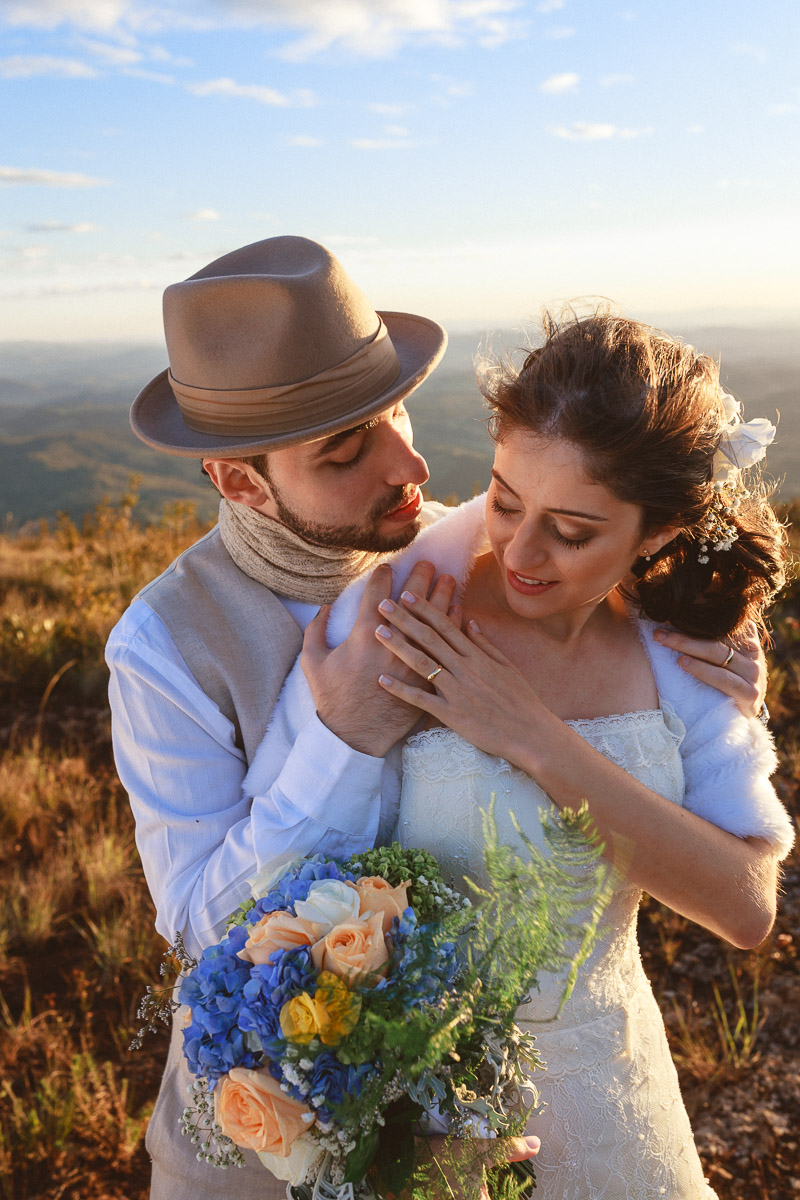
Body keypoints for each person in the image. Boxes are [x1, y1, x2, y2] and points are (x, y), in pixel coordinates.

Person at [107, 239, 768, 1199]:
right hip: (271, 1125)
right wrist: (342, 737)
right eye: (346, 452)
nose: (412, 464)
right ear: (242, 482)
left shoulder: (475, 549)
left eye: (396, 416)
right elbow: (204, 927)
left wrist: (709, 660)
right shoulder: (164, 645)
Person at [359, 312, 794, 1197]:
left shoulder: (683, 657)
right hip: (418, 1118)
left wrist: (534, 738)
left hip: (613, 1102)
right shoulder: (410, 606)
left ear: (661, 533)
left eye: (571, 530)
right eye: (505, 499)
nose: (518, 551)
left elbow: (746, 911)